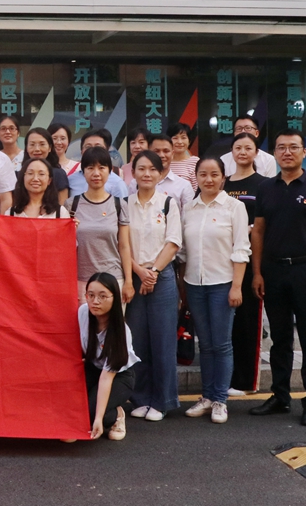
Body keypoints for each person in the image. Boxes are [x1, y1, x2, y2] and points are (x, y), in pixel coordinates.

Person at [249, 129, 306, 427]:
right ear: (274, 152)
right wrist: (257, 273)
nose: (287, 152)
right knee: (280, 338)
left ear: (304, 152)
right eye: (281, 147)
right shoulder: (266, 188)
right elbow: (258, 232)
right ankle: (280, 396)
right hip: (273, 272)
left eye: (293, 147)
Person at [181, 157, 250, 424]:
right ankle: (207, 396)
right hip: (194, 284)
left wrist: (236, 286)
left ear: (223, 177)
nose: (208, 179)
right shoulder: (189, 208)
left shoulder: (234, 207)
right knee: (206, 344)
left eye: (214, 174)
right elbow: (183, 251)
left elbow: (241, 249)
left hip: (223, 284)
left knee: (221, 344)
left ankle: (220, 399)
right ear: (196, 177)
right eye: (203, 174)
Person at [125, 150, 182, 422]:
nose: (146, 174)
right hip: (133, 276)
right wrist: (140, 272)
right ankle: (141, 397)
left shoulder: (168, 203)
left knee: (163, 341)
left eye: (152, 169)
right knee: (137, 340)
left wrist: (154, 272)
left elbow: (173, 242)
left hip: (163, 276)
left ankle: (162, 400)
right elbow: (121, 245)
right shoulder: (124, 204)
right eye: (141, 168)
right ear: (133, 173)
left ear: (160, 174)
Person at [222, 132, 268, 394]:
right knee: (226, 324)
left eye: (248, 148)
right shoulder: (221, 182)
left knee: (247, 322)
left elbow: (268, 223)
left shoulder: (265, 185)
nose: (242, 152)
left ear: (256, 152)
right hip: (221, 261)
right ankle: (225, 378)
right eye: (237, 147)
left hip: (251, 261)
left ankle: (246, 381)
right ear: (231, 152)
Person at [78, 273, 139, 441]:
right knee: (72, 403)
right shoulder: (83, 312)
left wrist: (98, 419)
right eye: (91, 295)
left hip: (118, 377)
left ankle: (117, 414)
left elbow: (106, 378)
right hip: (93, 368)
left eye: (102, 296)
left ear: (114, 298)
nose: (95, 301)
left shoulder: (121, 332)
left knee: (92, 414)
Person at [71, 146, 132, 304]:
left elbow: (124, 246)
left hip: (113, 278)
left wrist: (128, 281)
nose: (96, 173)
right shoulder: (71, 205)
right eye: (90, 168)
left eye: (101, 168)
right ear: (83, 171)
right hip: (80, 280)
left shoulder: (119, 204)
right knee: (83, 320)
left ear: (109, 171)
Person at [138, 134, 194, 212]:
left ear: (172, 154)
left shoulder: (184, 186)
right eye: (156, 151)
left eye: (166, 151)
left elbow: (189, 216)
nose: (161, 155)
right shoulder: (136, 183)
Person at [67, 129, 129, 199]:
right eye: (88, 147)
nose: (93, 150)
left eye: (98, 147)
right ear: (81, 151)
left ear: (107, 150)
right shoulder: (71, 180)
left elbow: (123, 205)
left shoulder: (117, 183)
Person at [21, 128, 69, 205]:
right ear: (26, 148)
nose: (37, 149)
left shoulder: (58, 174)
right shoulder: (19, 174)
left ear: (50, 148)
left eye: (42, 144)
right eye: (32, 144)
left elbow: (62, 204)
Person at [220, 114, 278, 178]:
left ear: (256, 133)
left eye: (248, 128)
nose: (243, 131)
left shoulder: (268, 160)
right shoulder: (224, 160)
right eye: (239, 128)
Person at [166, 123, 199, 190]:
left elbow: (198, 188)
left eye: (183, 138)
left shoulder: (195, 162)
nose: (180, 142)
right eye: (175, 138)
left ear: (189, 141)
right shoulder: (164, 162)